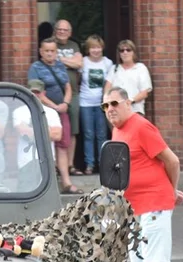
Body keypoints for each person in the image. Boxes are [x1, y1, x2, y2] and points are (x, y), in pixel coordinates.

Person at [104, 87, 183, 262]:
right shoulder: (118, 131)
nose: (110, 109)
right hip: (133, 207)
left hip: (153, 203)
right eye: (105, 106)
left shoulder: (141, 126)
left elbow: (172, 160)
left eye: (114, 103)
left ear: (128, 103)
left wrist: (171, 190)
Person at [29, 37, 78, 194]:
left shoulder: (60, 66)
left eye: (53, 51)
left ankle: (66, 182)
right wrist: (54, 106)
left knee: (63, 146)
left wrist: (65, 103)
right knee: (45, 145)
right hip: (45, 111)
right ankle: (47, 183)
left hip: (62, 111)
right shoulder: (35, 68)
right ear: (41, 52)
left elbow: (67, 86)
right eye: (47, 51)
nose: (50, 54)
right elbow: (36, 92)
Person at [13, 79, 64, 188]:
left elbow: (57, 135)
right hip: (26, 162)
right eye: (32, 92)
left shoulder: (51, 112)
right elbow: (25, 134)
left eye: (38, 92)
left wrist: (30, 128)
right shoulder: (18, 111)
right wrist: (47, 130)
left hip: (48, 161)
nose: (35, 95)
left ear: (43, 93)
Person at [79, 36, 114, 174]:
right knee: (88, 134)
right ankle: (89, 164)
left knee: (102, 134)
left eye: (98, 47)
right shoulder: (83, 62)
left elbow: (111, 82)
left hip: (102, 104)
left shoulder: (108, 63)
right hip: (85, 102)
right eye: (92, 47)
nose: (95, 50)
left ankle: (102, 164)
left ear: (102, 48)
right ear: (88, 49)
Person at [53, 19, 84, 171]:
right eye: (59, 29)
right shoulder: (50, 44)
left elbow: (79, 64)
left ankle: (70, 164)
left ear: (70, 33)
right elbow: (49, 60)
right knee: (54, 128)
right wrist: (69, 61)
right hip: (55, 94)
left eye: (65, 30)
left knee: (73, 130)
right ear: (55, 30)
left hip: (74, 93)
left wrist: (60, 60)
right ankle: (56, 165)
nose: (62, 32)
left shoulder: (74, 45)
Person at [104, 40, 152, 115]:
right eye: (122, 50)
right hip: (116, 112)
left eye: (128, 50)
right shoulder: (114, 69)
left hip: (135, 110)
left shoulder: (141, 68)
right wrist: (108, 102)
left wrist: (130, 101)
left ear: (133, 52)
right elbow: (107, 88)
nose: (125, 52)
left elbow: (144, 92)